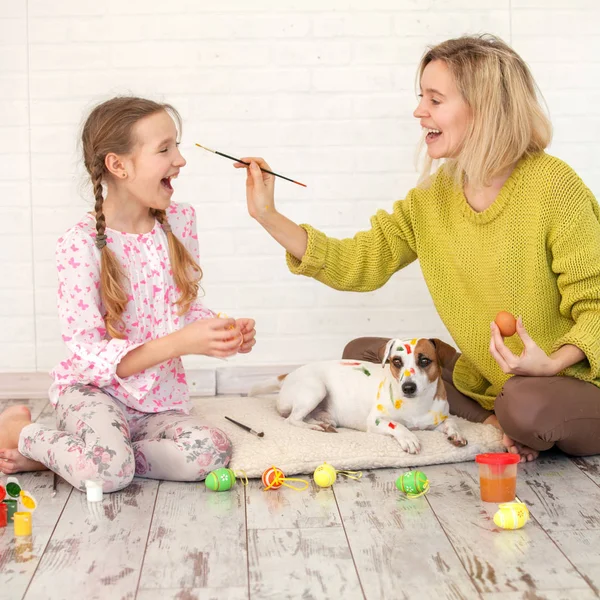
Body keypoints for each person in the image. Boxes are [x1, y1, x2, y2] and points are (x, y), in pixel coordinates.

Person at [237, 34, 600, 462]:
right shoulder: (430, 199)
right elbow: (358, 263)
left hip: (573, 378)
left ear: (483, 110)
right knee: (364, 355)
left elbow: (596, 304)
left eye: (435, 99)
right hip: (494, 377)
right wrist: (267, 215)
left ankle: (516, 417)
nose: (419, 110)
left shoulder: (554, 186)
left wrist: (552, 363)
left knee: (527, 406)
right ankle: (495, 420)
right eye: (420, 96)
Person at [0, 97, 256, 491]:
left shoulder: (179, 222)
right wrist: (179, 343)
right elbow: (87, 353)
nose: (180, 160)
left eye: (177, 146)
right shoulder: (79, 245)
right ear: (118, 165)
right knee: (109, 475)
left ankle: (80, 456)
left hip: (157, 402)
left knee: (210, 450)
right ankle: (22, 431)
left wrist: (219, 331)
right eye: (164, 149)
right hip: (93, 393)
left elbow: (182, 308)